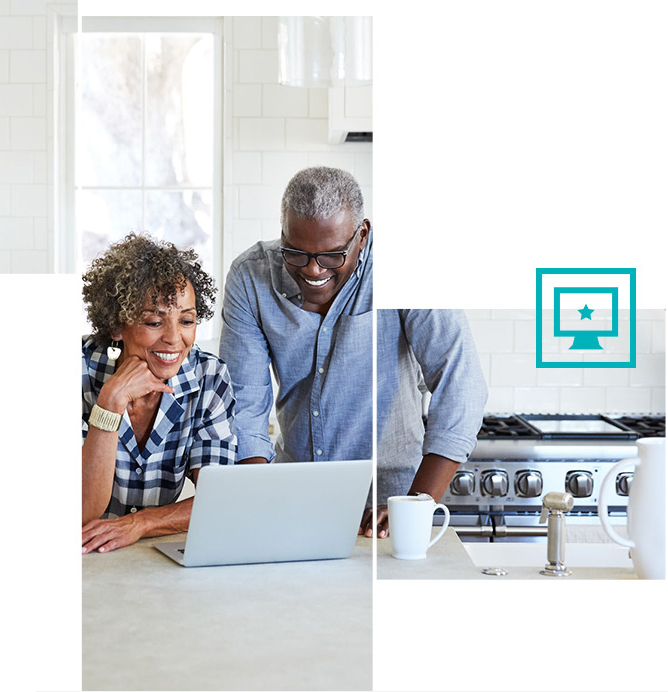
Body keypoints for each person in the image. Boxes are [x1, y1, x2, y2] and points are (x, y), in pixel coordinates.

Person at [219, 166, 486, 538]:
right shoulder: (251, 277)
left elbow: (462, 386)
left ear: (362, 234)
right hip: (294, 494)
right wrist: (257, 499)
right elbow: (244, 407)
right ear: (283, 233)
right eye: (296, 253)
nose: (313, 270)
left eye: (331, 256)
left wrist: (417, 503)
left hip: (394, 500)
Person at [81, 233, 236, 553]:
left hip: (155, 557)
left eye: (187, 320)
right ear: (116, 326)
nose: (174, 339)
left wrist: (142, 523)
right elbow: (80, 514)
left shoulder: (209, 378)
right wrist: (109, 405)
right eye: (154, 321)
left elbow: (221, 500)